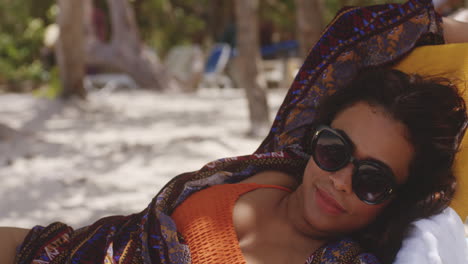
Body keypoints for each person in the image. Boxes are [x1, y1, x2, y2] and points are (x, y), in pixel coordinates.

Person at [2, 0, 468, 264]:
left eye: (372, 180)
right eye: (334, 149)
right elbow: (355, 33)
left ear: (395, 199)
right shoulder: (284, 157)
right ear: (315, 138)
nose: (340, 179)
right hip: (63, 250)